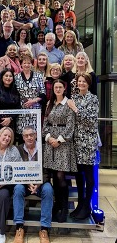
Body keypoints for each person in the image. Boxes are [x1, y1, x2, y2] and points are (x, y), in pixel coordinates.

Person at [43, 79, 76, 222]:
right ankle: (56, 205)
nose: (57, 89)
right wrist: (49, 138)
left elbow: (71, 126)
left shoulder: (68, 104)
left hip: (63, 144)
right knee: (52, 176)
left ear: (64, 88)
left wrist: (59, 140)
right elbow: (45, 124)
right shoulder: (49, 104)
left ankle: (63, 208)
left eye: (60, 87)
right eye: (55, 87)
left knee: (60, 177)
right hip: (50, 143)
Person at [13, 126, 53, 243]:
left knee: (49, 190)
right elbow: (17, 170)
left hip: (41, 183)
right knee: (18, 188)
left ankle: (44, 229)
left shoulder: (43, 149)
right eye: (26, 135)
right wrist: (27, 182)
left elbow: (47, 170)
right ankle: (19, 228)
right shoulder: (18, 149)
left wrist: (38, 183)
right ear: (23, 137)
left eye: (31, 135)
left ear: (36, 135)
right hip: (24, 183)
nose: (29, 137)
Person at [67, 72, 99, 220]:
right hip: (76, 141)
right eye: (79, 81)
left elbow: (91, 121)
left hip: (88, 141)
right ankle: (80, 204)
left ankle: (87, 206)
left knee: (88, 173)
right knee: (78, 174)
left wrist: (76, 109)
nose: (81, 84)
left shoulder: (93, 99)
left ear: (88, 83)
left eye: (84, 82)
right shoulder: (74, 98)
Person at [15, 55, 46, 143]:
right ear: (21, 65)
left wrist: (34, 100)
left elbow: (43, 93)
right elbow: (15, 94)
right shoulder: (16, 77)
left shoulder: (38, 76)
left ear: (32, 64)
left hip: (35, 111)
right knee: (23, 136)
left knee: (34, 135)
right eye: (24, 63)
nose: (26, 65)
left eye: (28, 63)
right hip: (22, 111)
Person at [0, 68, 21, 143]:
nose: (8, 78)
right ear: (2, 77)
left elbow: (18, 108)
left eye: (10, 76)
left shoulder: (16, 92)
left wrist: (10, 118)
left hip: (10, 125)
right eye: (6, 76)